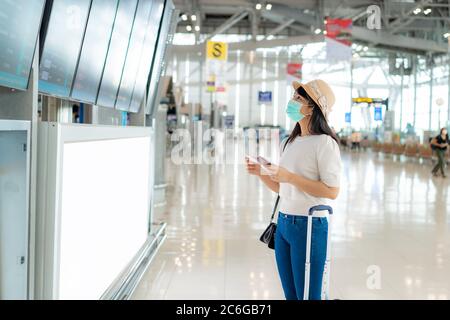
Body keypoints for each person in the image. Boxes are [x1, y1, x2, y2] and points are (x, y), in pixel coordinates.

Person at [246, 79, 341, 300]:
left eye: (299, 99)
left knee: (309, 296)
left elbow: (332, 191)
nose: (292, 102)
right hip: (284, 224)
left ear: (312, 109)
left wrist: (290, 176)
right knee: (292, 296)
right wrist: (261, 172)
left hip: (309, 226)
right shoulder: (289, 142)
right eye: (293, 97)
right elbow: (283, 188)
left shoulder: (325, 143)